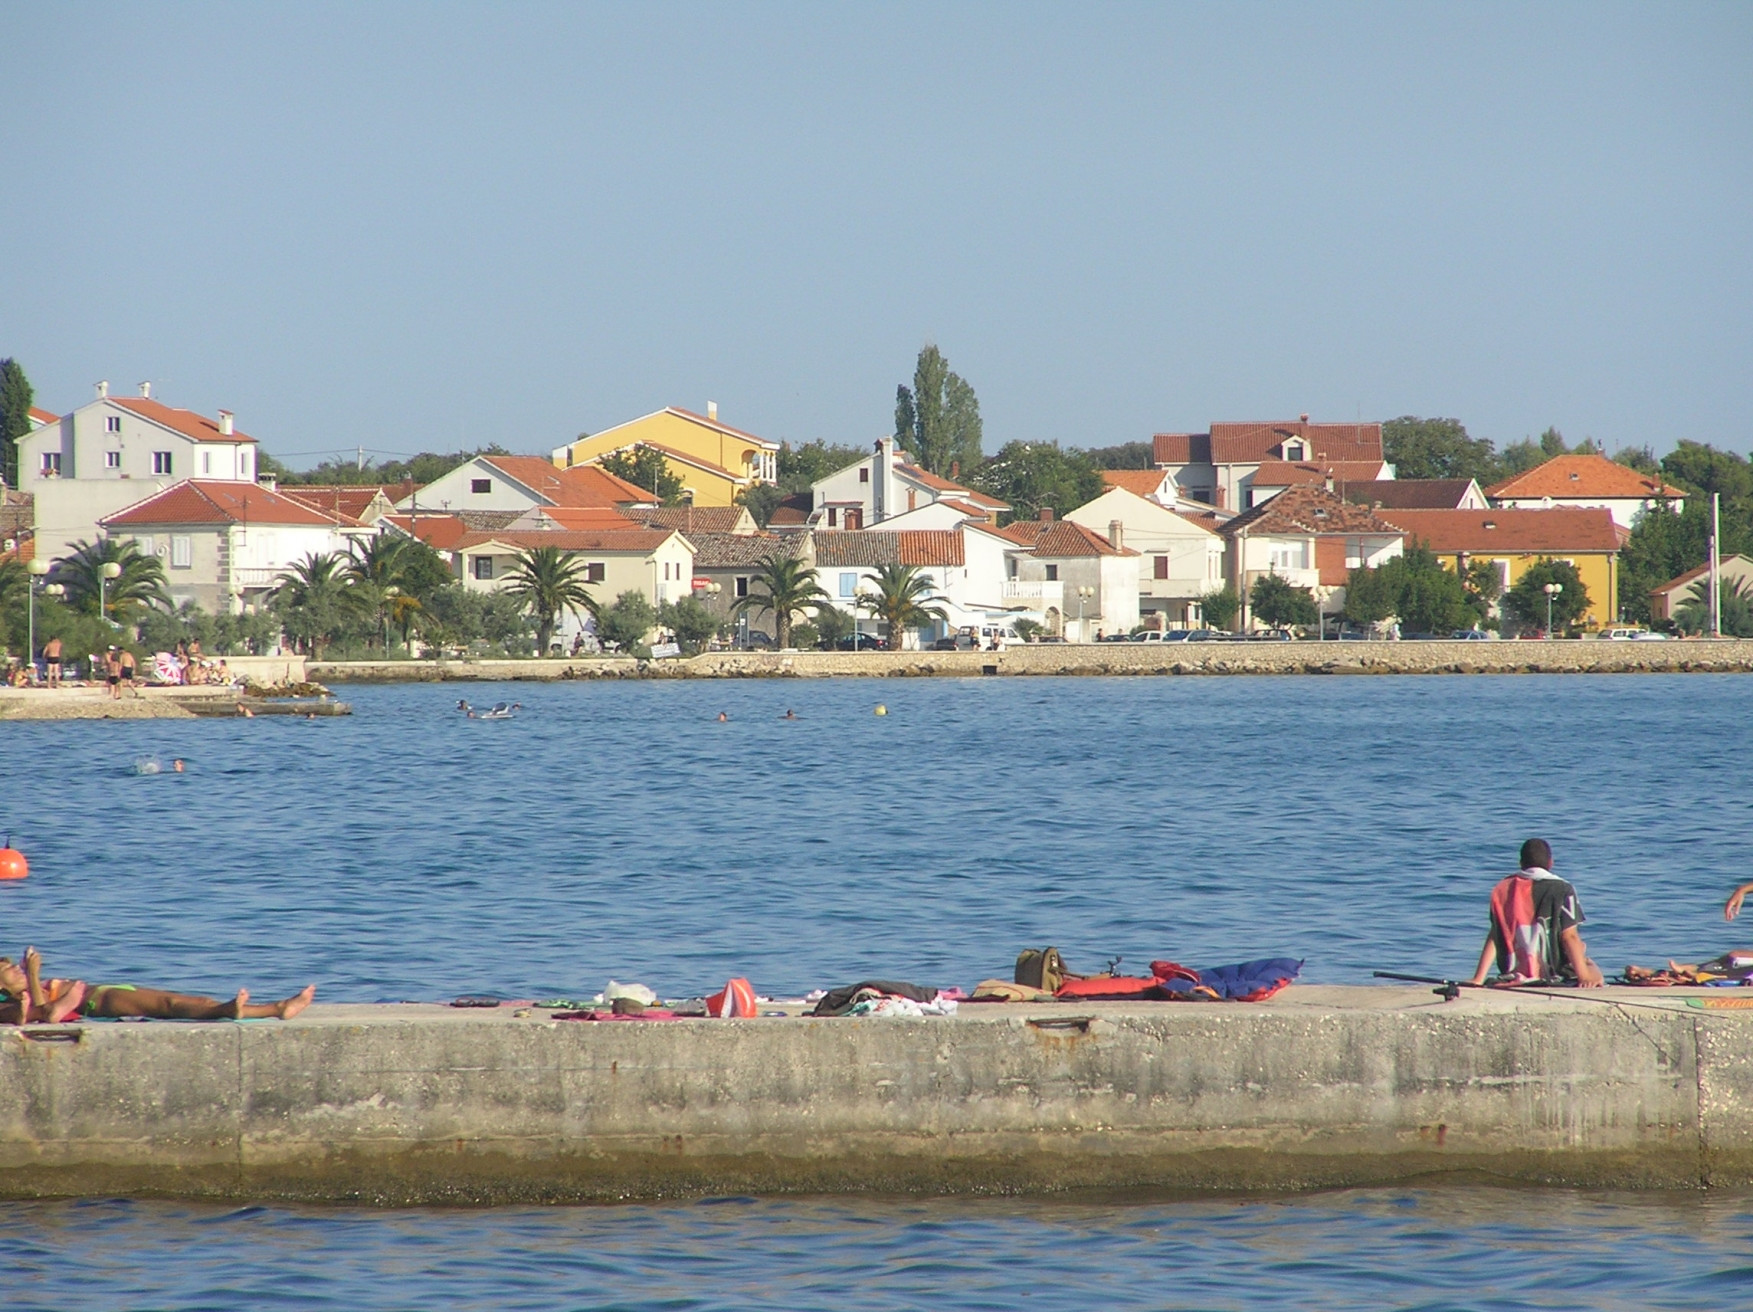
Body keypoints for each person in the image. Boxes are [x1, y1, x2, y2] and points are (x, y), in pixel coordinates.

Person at [0, 949, 315, 1022]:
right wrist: (34, 974)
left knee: (190, 1000)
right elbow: (44, 1012)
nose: (16, 968)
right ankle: (240, 1010)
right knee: (173, 1006)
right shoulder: (20, 997)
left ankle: (278, 1008)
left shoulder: (25, 986)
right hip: (99, 1001)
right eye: (8, 969)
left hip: (109, 990)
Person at [1469, 838, 1602, 988]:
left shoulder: (1502, 888)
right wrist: (1584, 976)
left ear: (1521, 863)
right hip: (1553, 973)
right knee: (1591, 966)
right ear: (1551, 863)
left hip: (1512, 974)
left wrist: (1478, 978)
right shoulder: (1562, 889)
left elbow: (1495, 935)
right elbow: (1569, 936)